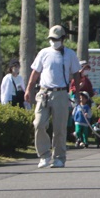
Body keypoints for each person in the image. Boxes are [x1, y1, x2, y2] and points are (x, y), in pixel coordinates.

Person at [25, 25, 81, 168]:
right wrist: (28, 89)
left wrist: (77, 94)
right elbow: (35, 73)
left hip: (61, 93)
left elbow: (76, 74)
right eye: (51, 39)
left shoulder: (69, 54)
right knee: (38, 123)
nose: (53, 41)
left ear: (63, 39)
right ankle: (44, 155)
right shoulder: (43, 53)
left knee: (59, 128)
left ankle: (59, 157)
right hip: (44, 92)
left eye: (56, 39)